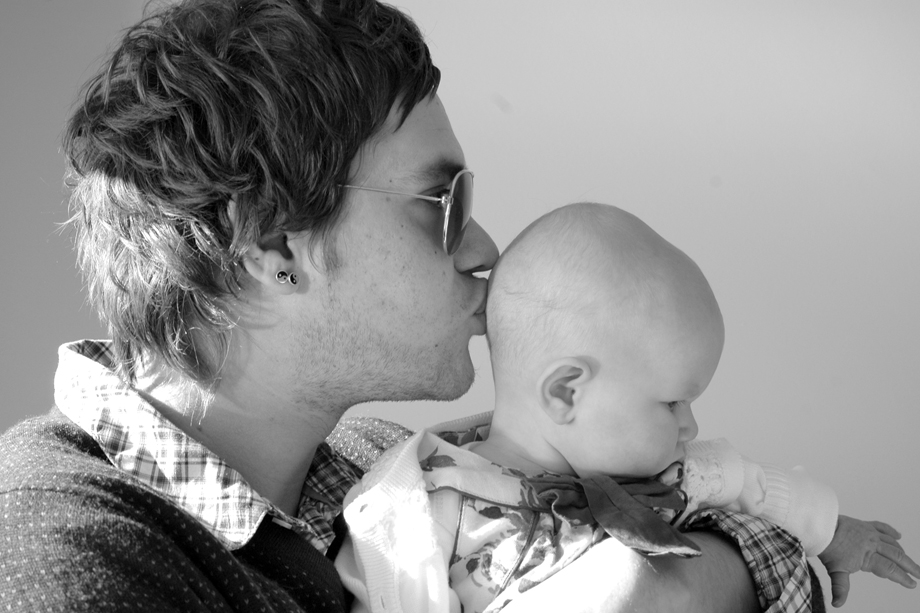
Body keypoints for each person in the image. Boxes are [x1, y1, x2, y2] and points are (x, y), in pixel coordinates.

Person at [0, 1, 819, 611]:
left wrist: (662, 584)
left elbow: (770, 548)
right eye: (442, 202)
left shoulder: (389, 465)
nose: (486, 247)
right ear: (276, 248)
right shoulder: (63, 557)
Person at [335, 202, 920, 613]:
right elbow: (388, 595)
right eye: (672, 402)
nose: (691, 425)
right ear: (567, 393)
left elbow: (754, 484)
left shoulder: (670, 472)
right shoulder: (425, 501)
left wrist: (835, 532)